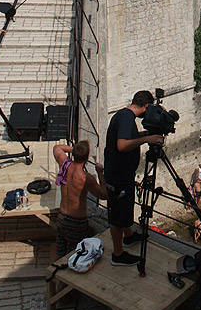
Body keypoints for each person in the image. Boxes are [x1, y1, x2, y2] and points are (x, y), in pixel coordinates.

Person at [103, 90, 164, 266]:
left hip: (121, 174)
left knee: (124, 207)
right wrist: (147, 140)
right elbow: (122, 145)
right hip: (118, 176)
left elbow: (128, 138)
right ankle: (118, 254)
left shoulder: (123, 115)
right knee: (117, 214)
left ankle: (128, 236)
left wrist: (144, 135)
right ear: (145, 106)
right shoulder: (126, 119)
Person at [53, 140, 107, 259]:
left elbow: (57, 147)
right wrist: (100, 173)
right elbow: (104, 195)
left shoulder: (64, 164)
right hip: (76, 222)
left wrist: (75, 149)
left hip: (62, 217)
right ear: (87, 158)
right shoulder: (85, 178)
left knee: (60, 253)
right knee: (74, 255)